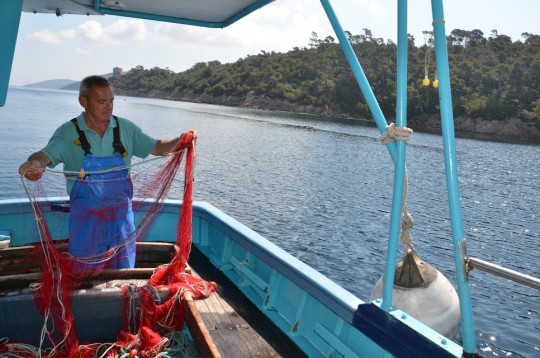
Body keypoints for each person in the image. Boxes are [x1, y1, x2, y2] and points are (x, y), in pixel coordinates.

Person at [19, 75, 182, 269]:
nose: (109, 106)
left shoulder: (126, 129)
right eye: (101, 101)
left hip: (121, 220)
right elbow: (44, 156)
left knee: (122, 273)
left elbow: (156, 147)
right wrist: (34, 164)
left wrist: (181, 140)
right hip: (86, 221)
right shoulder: (68, 132)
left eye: (111, 101)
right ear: (83, 101)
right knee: (85, 272)